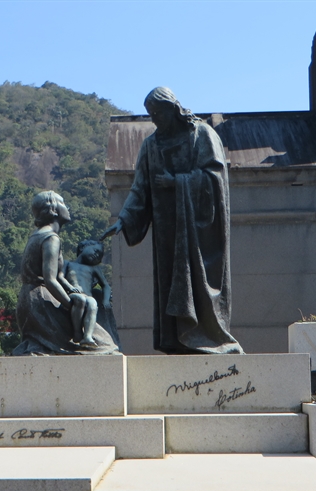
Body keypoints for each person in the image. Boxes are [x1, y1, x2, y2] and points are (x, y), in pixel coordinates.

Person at [102, 87, 243, 354]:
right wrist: (124, 220)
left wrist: (176, 182)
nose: (154, 119)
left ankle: (210, 339)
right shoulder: (151, 145)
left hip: (199, 232)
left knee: (199, 285)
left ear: (173, 109)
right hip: (167, 232)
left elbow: (215, 178)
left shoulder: (202, 135)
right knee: (171, 287)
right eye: (150, 115)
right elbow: (139, 188)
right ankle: (178, 342)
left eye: (158, 113)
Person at [13, 191, 118, 356]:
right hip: (42, 303)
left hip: (28, 301)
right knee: (105, 346)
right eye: (63, 203)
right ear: (53, 209)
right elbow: (50, 280)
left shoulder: (36, 235)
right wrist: (71, 305)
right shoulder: (51, 238)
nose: (67, 207)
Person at [64, 239, 111, 346]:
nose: (96, 255)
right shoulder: (68, 264)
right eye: (95, 251)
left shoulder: (94, 268)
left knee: (93, 304)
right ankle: (77, 332)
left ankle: (88, 336)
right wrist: (69, 287)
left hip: (87, 295)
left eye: (99, 256)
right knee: (80, 300)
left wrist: (106, 300)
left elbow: (106, 286)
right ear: (82, 248)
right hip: (73, 294)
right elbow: (59, 277)